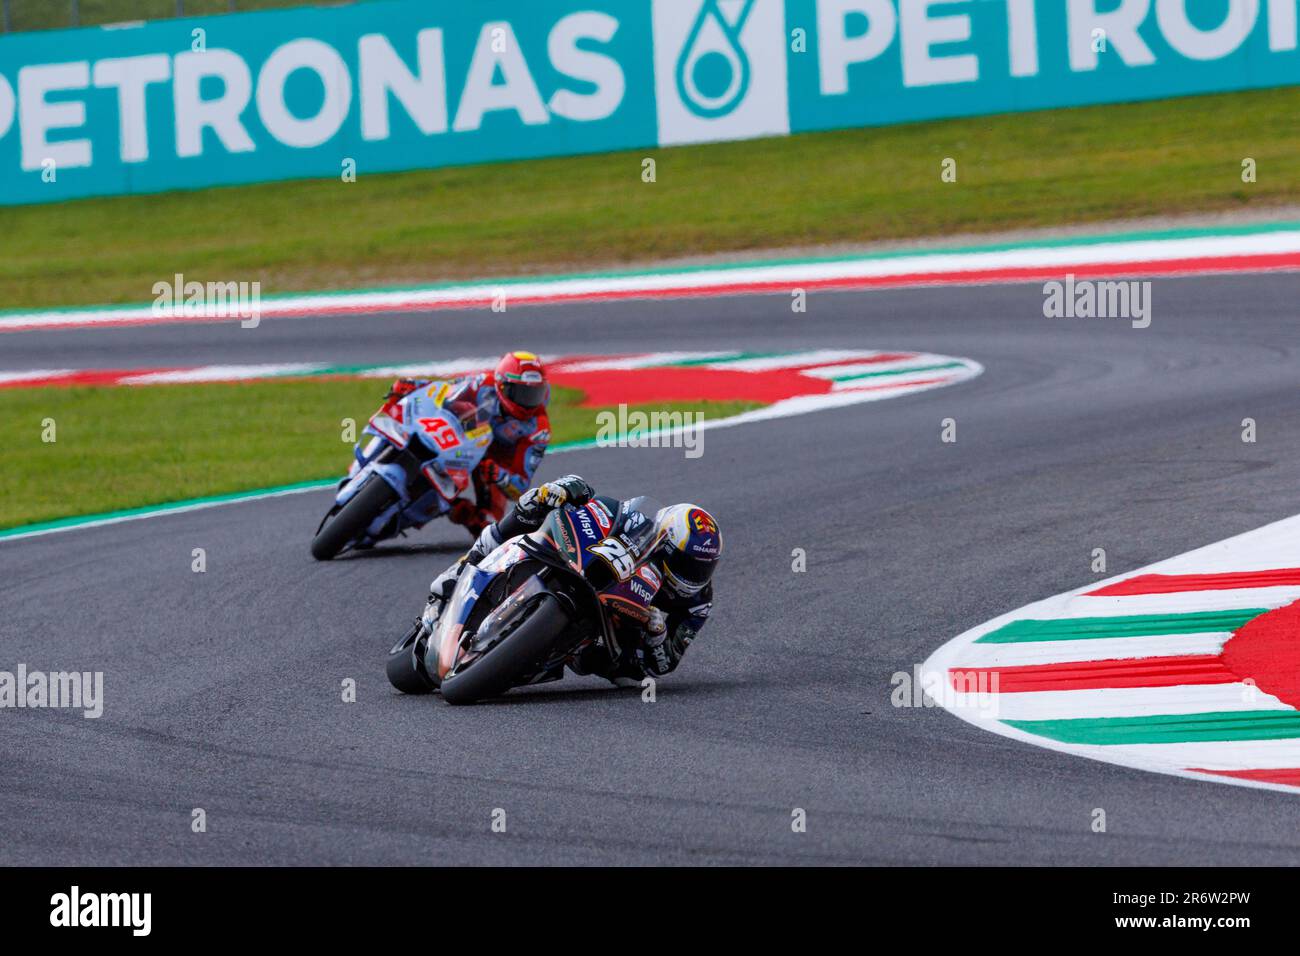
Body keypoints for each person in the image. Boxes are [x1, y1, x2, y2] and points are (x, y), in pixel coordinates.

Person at [427, 474, 720, 684]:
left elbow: (664, 665)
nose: (693, 576)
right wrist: (566, 490)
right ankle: (465, 567)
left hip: (619, 631)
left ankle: (537, 653)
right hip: (588, 568)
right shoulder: (635, 520)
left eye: (702, 568)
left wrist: (656, 636)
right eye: (686, 563)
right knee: (532, 508)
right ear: (663, 544)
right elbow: (595, 505)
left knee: (623, 676)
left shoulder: (697, 604)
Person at [383, 351, 550, 535]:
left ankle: (457, 509)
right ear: (501, 386)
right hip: (459, 439)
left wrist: (499, 474)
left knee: (490, 528)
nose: (528, 402)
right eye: (521, 393)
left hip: (489, 463)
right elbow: (443, 391)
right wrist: (414, 386)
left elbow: (521, 487)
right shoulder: (482, 385)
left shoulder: (538, 429)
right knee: (403, 418)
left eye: (534, 393)